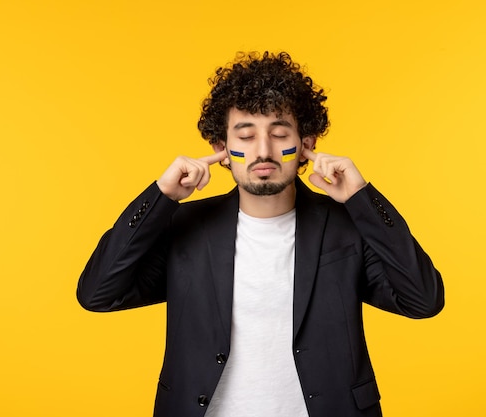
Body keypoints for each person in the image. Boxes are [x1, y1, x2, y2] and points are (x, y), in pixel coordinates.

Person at [77, 51, 444, 417]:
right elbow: (97, 293)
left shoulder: (347, 226)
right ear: (222, 150)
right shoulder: (184, 228)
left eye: (280, 133)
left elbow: (423, 300)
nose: (263, 151)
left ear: (306, 146)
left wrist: (362, 201)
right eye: (246, 136)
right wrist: (161, 196)